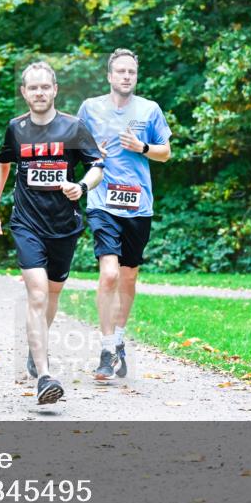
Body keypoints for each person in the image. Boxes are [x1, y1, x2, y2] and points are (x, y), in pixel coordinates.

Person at [0, 61, 105, 405]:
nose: (39, 92)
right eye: (32, 87)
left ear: (54, 90)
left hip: (64, 226)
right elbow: (2, 163)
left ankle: (35, 349)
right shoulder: (16, 129)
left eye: (44, 87)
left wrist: (80, 186)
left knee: (51, 295)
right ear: (24, 92)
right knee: (36, 294)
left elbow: (97, 166)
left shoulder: (73, 128)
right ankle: (45, 375)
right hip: (26, 223)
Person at [76, 49, 172, 380]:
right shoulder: (90, 108)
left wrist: (142, 148)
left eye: (131, 71)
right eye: (120, 71)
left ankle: (118, 341)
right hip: (103, 201)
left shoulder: (150, 110)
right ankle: (105, 350)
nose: (126, 76)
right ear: (109, 76)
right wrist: (90, 153)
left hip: (138, 205)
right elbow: (74, 146)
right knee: (110, 275)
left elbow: (165, 153)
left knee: (129, 276)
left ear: (136, 76)